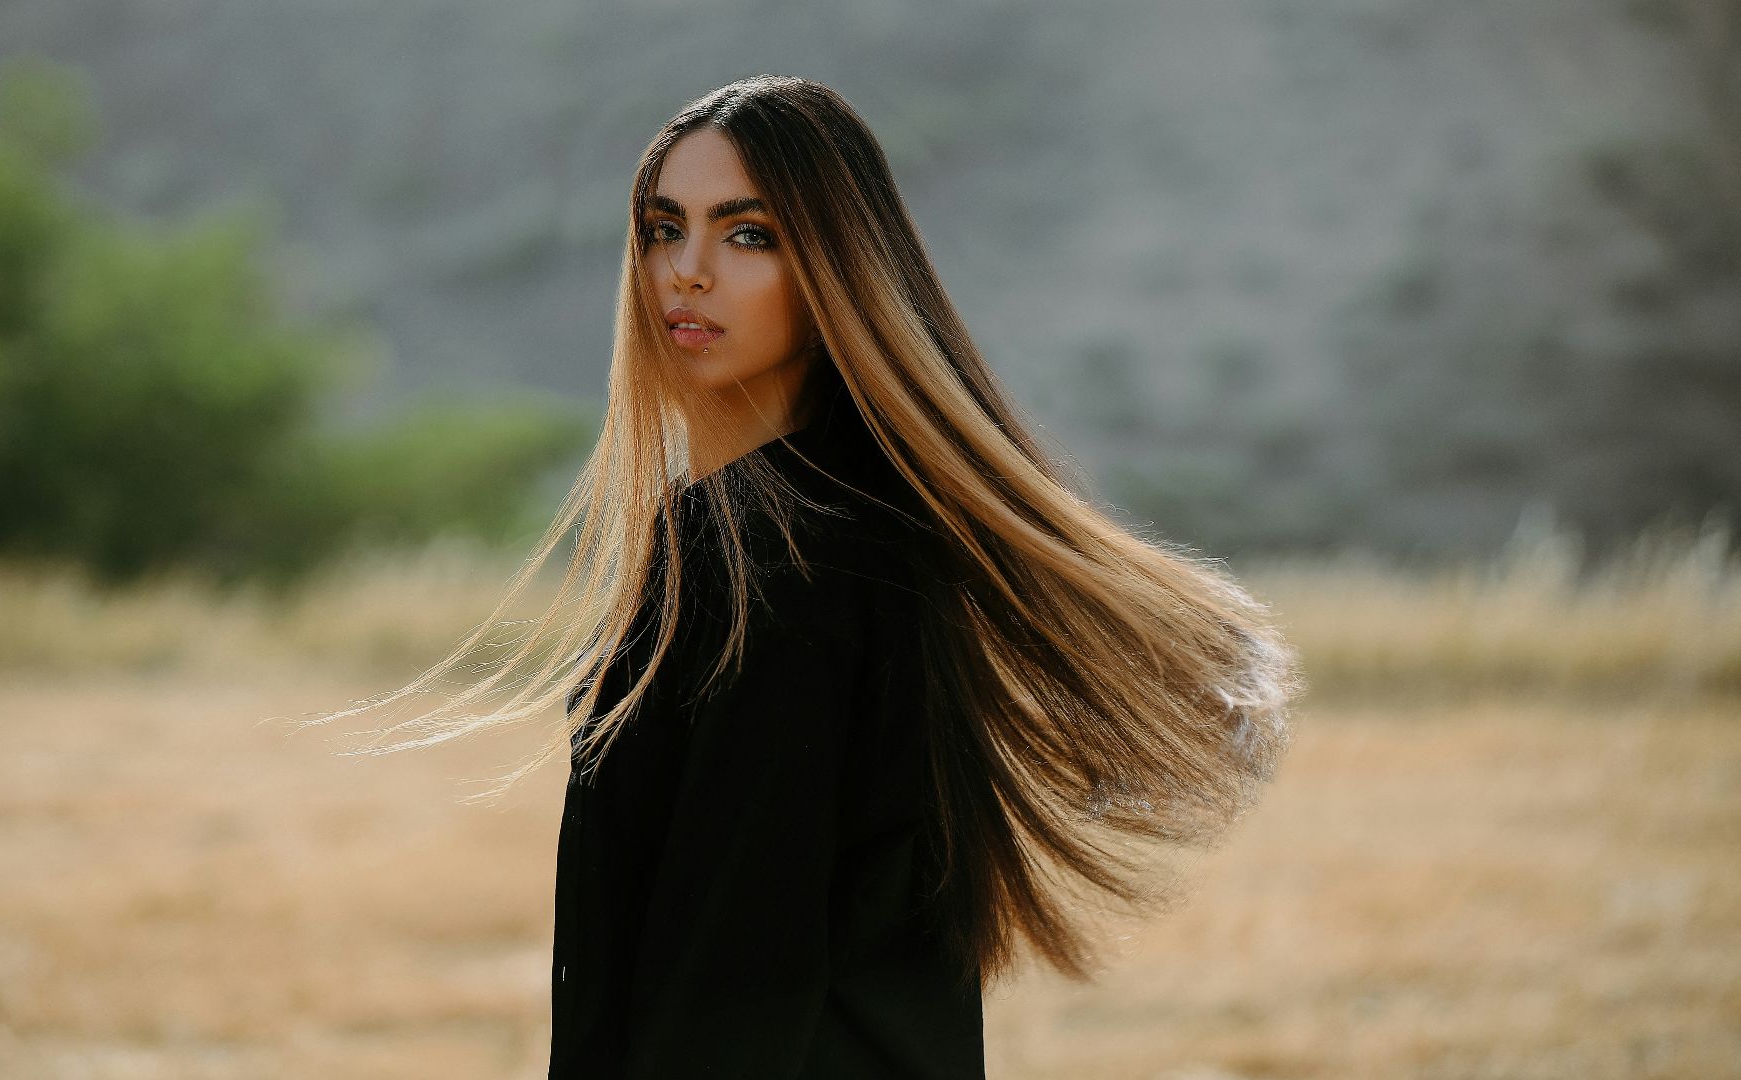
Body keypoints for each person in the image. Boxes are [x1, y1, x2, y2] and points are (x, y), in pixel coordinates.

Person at [311, 75, 1298, 1078]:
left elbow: (737, 968)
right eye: (664, 228)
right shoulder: (859, 529)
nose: (686, 272)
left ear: (835, 269)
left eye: (749, 236)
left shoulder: (780, 559)